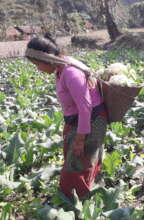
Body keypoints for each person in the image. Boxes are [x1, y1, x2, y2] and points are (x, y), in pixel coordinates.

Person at [25, 34, 107, 200]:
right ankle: (86, 193)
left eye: (38, 64)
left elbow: (86, 108)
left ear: (48, 58)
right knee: (81, 161)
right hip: (80, 121)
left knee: (77, 164)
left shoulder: (71, 73)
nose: (38, 69)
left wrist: (79, 139)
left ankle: (75, 202)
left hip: (91, 121)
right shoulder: (61, 67)